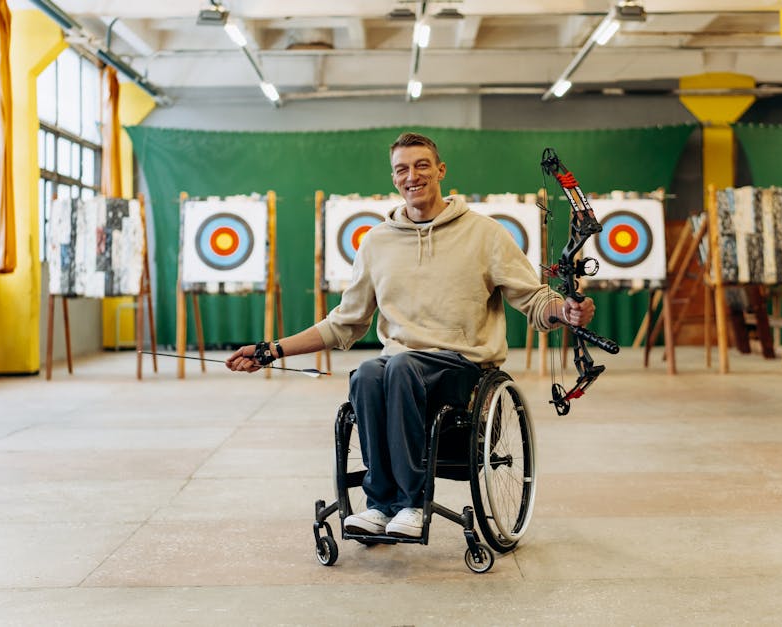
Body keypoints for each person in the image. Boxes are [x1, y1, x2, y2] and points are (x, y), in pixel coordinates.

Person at [226, 132, 594, 538]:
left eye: (422, 165)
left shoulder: (485, 234)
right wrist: (270, 350)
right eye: (402, 169)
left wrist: (566, 310)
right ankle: (381, 506)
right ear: (394, 178)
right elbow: (344, 322)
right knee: (368, 372)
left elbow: (534, 300)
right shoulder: (377, 242)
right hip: (400, 369)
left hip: (463, 368)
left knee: (399, 368)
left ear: (440, 170)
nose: (412, 176)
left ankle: (412, 505)